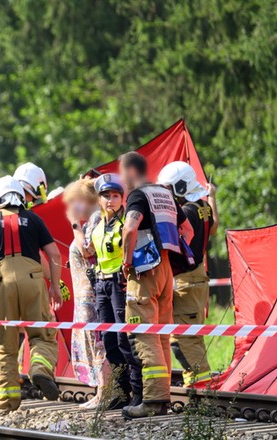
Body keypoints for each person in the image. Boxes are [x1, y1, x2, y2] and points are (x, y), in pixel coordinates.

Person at [0, 175, 62, 412]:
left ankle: (6, 404)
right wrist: (55, 287)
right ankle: (40, 369)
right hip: (32, 281)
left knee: (4, 345)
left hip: (1, 284)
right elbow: (55, 255)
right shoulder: (34, 219)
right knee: (42, 335)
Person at [119, 152, 194, 419]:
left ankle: (151, 402)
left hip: (143, 272)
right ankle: (162, 399)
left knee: (143, 333)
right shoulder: (165, 195)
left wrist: (126, 262)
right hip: (165, 270)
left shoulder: (138, 196)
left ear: (130, 171)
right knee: (161, 335)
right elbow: (188, 232)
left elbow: (130, 229)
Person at [0, 162, 50, 395]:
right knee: (11, 332)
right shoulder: (25, 210)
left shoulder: (1, 201)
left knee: (2, 329)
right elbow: (40, 253)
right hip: (16, 270)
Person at [157, 162, 219, 387]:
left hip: (186, 279)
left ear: (180, 188)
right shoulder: (202, 205)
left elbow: (175, 243)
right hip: (196, 276)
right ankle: (201, 385)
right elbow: (213, 228)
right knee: (192, 336)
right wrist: (211, 197)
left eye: (169, 190)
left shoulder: (186, 212)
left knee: (182, 339)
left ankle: (200, 389)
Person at [87, 173, 143, 408]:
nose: (110, 200)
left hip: (119, 285)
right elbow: (90, 250)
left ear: (122, 198)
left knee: (124, 339)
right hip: (101, 284)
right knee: (109, 340)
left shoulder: (124, 222)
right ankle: (120, 394)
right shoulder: (99, 223)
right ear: (99, 200)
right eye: (106, 196)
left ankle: (138, 393)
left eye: (115, 196)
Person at [62, 177, 107, 408]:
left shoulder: (97, 217)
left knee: (97, 341)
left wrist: (74, 225)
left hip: (92, 293)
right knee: (92, 340)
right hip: (84, 294)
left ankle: (104, 393)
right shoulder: (93, 218)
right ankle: (102, 390)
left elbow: (87, 249)